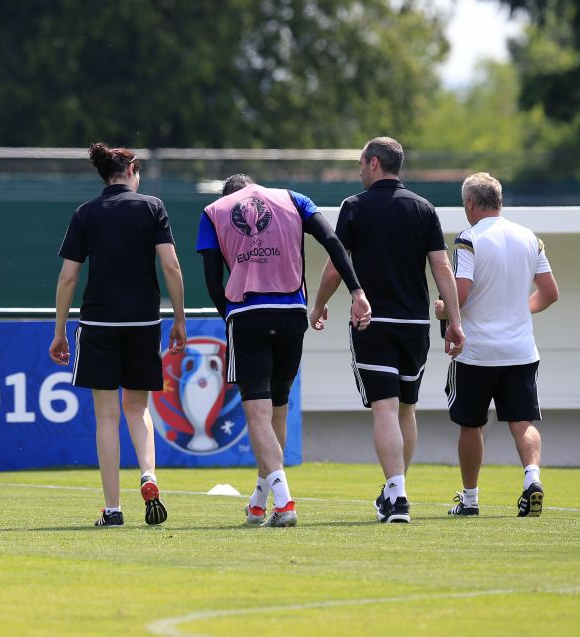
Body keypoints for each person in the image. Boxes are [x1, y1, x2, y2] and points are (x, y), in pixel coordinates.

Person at [198, 173, 371, 527]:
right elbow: (333, 242)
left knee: (257, 415)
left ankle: (284, 501)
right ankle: (260, 501)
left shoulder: (214, 211)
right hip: (293, 315)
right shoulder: (295, 199)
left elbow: (213, 281)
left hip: (248, 315)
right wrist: (356, 291)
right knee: (277, 409)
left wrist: (229, 315)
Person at [310, 136, 465, 524]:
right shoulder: (424, 208)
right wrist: (455, 323)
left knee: (385, 408)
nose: (359, 170)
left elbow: (335, 264)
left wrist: (319, 303)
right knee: (406, 408)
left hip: (372, 321)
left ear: (375, 163)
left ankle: (396, 495)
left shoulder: (354, 206)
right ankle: (396, 490)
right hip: (415, 324)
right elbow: (442, 268)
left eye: (361, 163)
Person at [49, 142, 187, 528]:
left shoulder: (86, 213)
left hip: (99, 325)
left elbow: (68, 277)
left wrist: (59, 331)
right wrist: (179, 318)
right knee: (137, 409)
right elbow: (171, 267)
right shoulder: (152, 207)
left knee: (106, 417)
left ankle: (112, 510)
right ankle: (149, 474)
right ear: (132, 171)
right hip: (144, 324)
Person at [434, 172, 559, 518]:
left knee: (471, 424)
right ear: (500, 201)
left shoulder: (469, 238)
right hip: (520, 350)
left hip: (476, 352)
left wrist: (443, 308)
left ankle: (471, 499)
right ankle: (532, 478)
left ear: (471, 203)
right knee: (523, 421)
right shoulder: (529, 237)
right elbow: (550, 293)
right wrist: (520, 310)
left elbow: (460, 293)